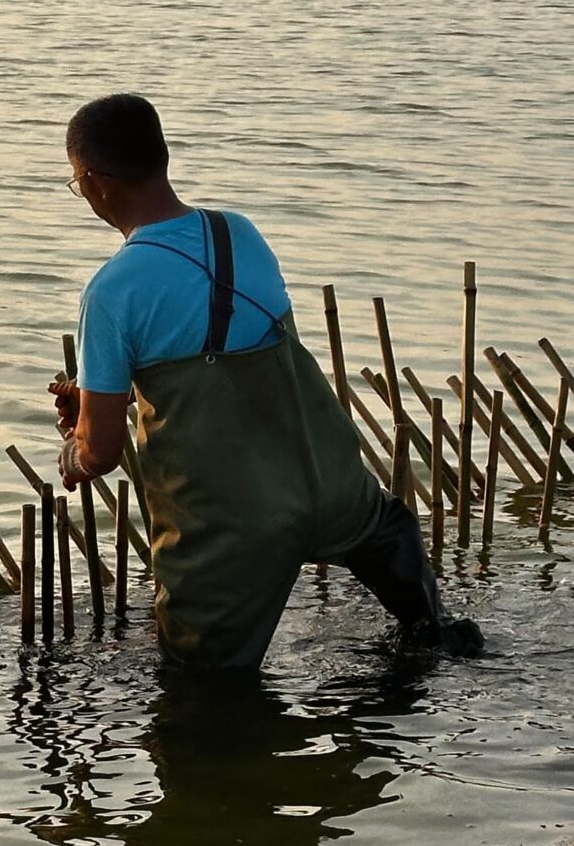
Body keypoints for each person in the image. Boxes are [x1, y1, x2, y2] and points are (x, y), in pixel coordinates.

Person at [52, 92, 455, 670]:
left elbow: (104, 450)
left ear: (95, 181)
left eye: (76, 181)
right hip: (331, 485)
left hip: (232, 530)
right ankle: (430, 637)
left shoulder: (112, 291)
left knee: (197, 686)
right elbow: (229, 352)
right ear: (162, 158)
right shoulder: (238, 232)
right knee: (386, 526)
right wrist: (101, 402)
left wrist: (75, 451)